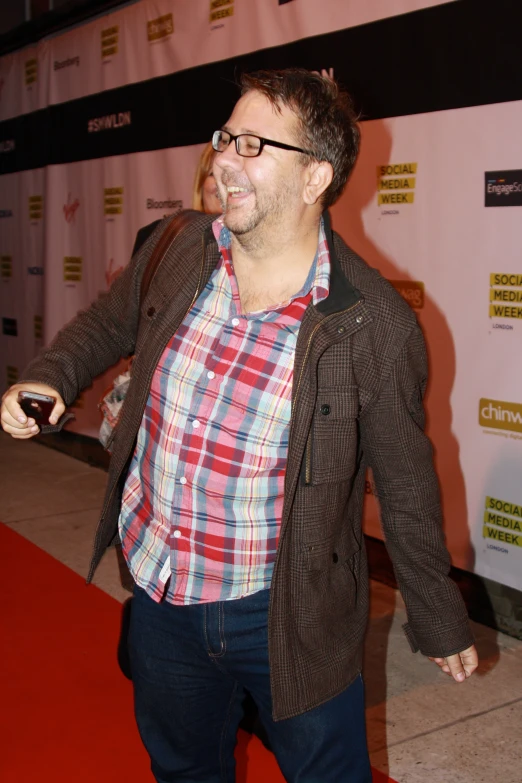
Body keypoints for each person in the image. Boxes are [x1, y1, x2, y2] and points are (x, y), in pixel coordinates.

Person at [1, 69, 478, 782]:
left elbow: (406, 482)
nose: (224, 158)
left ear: (316, 175)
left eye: (253, 145)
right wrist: (50, 375)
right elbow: (107, 323)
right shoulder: (176, 246)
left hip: (285, 609)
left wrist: (438, 615)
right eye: (227, 136)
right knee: (184, 769)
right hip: (160, 588)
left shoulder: (371, 322)